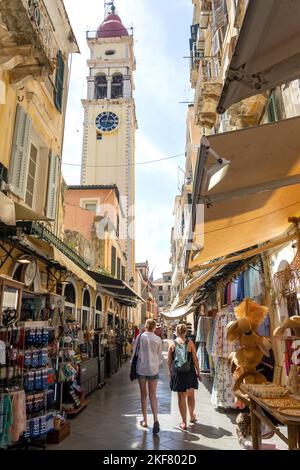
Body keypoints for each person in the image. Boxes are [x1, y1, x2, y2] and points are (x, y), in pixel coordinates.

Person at [131, 318, 162, 434]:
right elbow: (160, 357)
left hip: (141, 369)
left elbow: (134, 352)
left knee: (143, 395)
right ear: (154, 328)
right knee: (153, 395)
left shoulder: (140, 337)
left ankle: (145, 420)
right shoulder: (158, 339)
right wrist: (155, 363)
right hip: (153, 370)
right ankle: (155, 419)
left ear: (145, 327)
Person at [168, 323, 201, 430]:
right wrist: (198, 372)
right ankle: (192, 416)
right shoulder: (190, 343)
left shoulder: (172, 344)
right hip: (189, 373)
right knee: (191, 395)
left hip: (178, 374)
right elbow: (195, 359)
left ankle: (183, 422)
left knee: (181, 397)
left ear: (176, 332)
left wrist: (170, 373)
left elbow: (169, 361)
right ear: (185, 332)